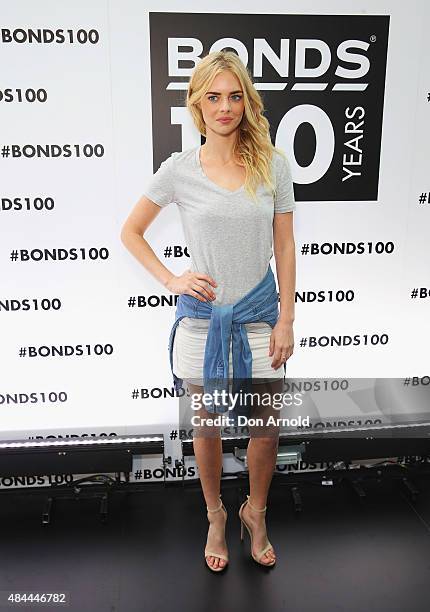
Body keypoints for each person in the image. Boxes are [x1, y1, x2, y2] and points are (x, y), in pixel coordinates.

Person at [120, 50, 296, 572]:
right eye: (213, 97)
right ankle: (217, 515)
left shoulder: (273, 163)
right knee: (207, 427)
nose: (225, 107)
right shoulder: (179, 169)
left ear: (247, 100)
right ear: (198, 105)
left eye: (235, 96)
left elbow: (284, 245)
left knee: (266, 427)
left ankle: (255, 513)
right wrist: (172, 278)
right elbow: (130, 232)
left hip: (262, 313)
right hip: (201, 320)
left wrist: (287, 317)